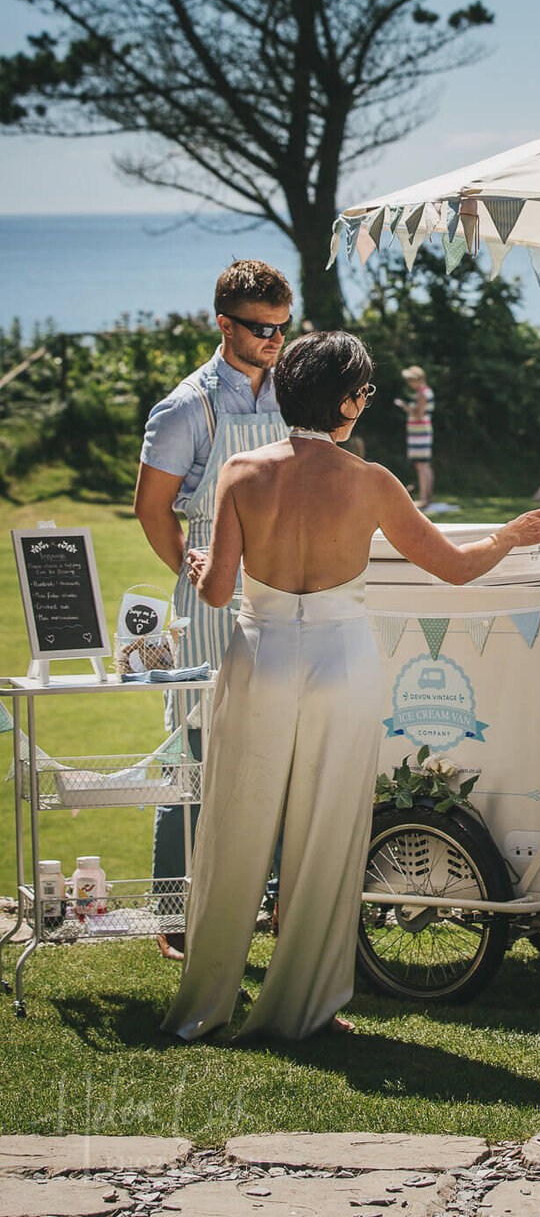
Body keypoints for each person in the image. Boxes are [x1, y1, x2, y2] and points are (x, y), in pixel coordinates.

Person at [162, 330, 540, 1043]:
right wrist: (511, 534)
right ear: (347, 402)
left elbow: (220, 591)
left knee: (234, 827)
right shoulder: (373, 481)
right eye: (365, 391)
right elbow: (458, 567)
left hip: (259, 657)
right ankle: (305, 1007)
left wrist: (198, 568)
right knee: (326, 834)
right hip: (340, 662)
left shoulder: (239, 471)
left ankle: (205, 1002)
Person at [135, 259, 293, 956]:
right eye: (260, 329)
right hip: (207, 594)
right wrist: (203, 578)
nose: (273, 342)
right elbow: (150, 509)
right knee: (193, 761)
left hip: (282, 582)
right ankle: (172, 918)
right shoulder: (184, 407)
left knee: (280, 749)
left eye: (283, 330)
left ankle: (275, 903)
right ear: (223, 323)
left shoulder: (289, 395)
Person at [394, 363, 434, 509]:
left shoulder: (422, 394)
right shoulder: (426, 391)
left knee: (421, 465)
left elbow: (418, 414)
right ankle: (427, 497)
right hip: (422, 431)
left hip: (420, 432)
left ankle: (424, 499)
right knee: (425, 465)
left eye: (411, 380)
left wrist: (404, 406)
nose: (410, 384)